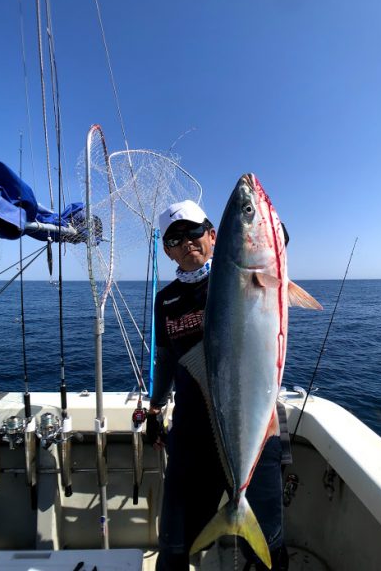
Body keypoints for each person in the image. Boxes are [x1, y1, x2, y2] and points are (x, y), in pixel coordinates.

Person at [147, 200, 289, 571]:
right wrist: (155, 407)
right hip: (192, 432)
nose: (186, 242)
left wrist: (255, 219)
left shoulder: (239, 275)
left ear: (213, 235)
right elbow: (165, 358)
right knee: (174, 546)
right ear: (166, 250)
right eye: (175, 238)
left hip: (255, 431)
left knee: (269, 548)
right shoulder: (166, 301)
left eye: (194, 231)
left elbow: (273, 243)